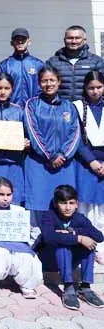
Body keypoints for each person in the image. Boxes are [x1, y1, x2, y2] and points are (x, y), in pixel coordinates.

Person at [24, 66, 80, 213]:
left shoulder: (69, 106)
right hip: (39, 163)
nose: (48, 84)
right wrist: (50, 155)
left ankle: (64, 235)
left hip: (64, 164)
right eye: (44, 81)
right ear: (39, 83)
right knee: (39, 205)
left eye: (52, 80)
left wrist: (63, 155)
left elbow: (75, 134)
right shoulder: (32, 105)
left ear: (59, 81)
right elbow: (33, 132)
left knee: (64, 205)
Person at [40, 184, 104, 310]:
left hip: (70, 260)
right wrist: (78, 238)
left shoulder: (79, 218)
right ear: (56, 203)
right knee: (63, 246)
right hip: (51, 260)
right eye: (63, 203)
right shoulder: (49, 216)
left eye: (71, 203)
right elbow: (48, 237)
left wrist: (74, 232)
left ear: (77, 204)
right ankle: (68, 288)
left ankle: (85, 287)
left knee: (89, 245)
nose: (68, 207)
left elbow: (99, 236)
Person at [0, 73, 27, 205]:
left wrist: (26, 143)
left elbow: (27, 136)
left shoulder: (19, 111)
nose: (2, 92)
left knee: (13, 201)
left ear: (12, 89)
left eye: (6, 88)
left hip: (14, 164)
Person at [73, 70, 104, 264]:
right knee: (84, 206)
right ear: (85, 88)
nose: (95, 91)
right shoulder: (77, 107)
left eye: (99, 87)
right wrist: (92, 161)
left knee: (101, 209)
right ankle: (84, 245)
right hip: (85, 163)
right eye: (91, 88)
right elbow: (76, 138)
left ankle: (100, 245)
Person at [46, 25, 104, 102]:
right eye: (70, 38)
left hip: (87, 107)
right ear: (64, 40)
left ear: (84, 40)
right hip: (61, 108)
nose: (73, 41)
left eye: (77, 38)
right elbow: (44, 85)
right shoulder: (53, 62)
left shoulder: (95, 61)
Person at [0, 28, 44, 106]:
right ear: (11, 43)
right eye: (17, 39)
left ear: (29, 42)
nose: (20, 42)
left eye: (23, 39)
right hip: (11, 109)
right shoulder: (5, 65)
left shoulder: (38, 64)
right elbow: (0, 88)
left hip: (33, 108)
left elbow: (43, 88)